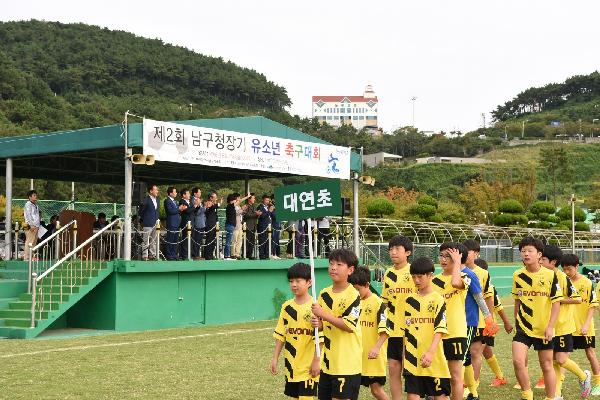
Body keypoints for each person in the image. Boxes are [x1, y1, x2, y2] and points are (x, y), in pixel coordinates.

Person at [511, 236, 562, 400]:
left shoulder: (550, 275)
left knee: (546, 365)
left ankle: (550, 397)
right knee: (518, 361)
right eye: (523, 251)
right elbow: (517, 301)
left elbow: (556, 303)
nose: (526, 254)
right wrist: (515, 320)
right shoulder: (518, 275)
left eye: (530, 251)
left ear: (539, 254)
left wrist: (550, 326)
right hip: (523, 327)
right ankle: (527, 394)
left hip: (543, 328)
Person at [311, 248, 362, 400]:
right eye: (331, 263)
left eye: (339, 264)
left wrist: (323, 315)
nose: (333, 267)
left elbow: (349, 326)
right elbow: (321, 326)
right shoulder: (323, 294)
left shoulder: (353, 295)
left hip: (347, 365)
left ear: (350, 270)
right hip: (327, 364)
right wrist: (318, 323)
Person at [540, 245, 591, 398]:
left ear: (553, 262)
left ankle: (583, 376)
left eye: (543, 259)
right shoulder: (542, 275)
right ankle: (556, 393)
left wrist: (558, 299)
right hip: (549, 326)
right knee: (554, 361)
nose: (540, 262)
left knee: (561, 359)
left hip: (562, 326)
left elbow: (577, 299)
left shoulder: (562, 278)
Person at [400, 257, 451, 400]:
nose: (416, 280)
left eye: (420, 276)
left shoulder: (437, 299)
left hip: (434, 360)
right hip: (412, 361)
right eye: (413, 277)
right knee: (412, 396)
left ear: (430, 276)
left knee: (440, 397)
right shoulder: (409, 300)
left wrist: (430, 353)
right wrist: (405, 357)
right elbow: (407, 331)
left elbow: (440, 329)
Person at [271, 262, 321, 400]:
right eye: (291, 281)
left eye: (298, 280)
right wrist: (275, 358)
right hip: (291, 366)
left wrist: (317, 361)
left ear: (309, 282)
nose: (294, 284)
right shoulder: (286, 307)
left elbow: (321, 338)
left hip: (309, 367)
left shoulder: (316, 307)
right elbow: (281, 335)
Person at [381, 235, 415, 400]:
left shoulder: (414, 271)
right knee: (394, 369)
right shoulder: (388, 274)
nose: (393, 252)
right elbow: (385, 302)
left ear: (407, 252)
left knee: (410, 372)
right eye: (391, 249)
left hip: (411, 331)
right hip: (392, 330)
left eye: (397, 249)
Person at [349, 266, 390, 400]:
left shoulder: (378, 304)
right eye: (353, 289)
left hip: (372, 356)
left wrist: (376, 348)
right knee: (349, 390)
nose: (356, 292)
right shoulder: (353, 302)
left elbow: (385, 331)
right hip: (355, 356)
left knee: (376, 390)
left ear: (367, 285)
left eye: (358, 289)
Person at [562, 254, 600, 396]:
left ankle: (597, 383)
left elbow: (592, 305)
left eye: (569, 269)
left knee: (590, 353)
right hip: (567, 326)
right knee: (564, 356)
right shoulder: (563, 282)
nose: (567, 272)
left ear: (577, 267)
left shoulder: (587, 283)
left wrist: (586, 324)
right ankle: (559, 384)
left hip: (584, 327)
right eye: (564, 269)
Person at [462, 239, 495, 398]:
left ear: (476, 254)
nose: (466, 254)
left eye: (469, 251)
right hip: (458, 320)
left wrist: (490, 319)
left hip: (478, 321)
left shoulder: (483, 273)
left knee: (475, 352)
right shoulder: (454, 272)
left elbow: (488, 298)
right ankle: (463, 383)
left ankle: (472, 385)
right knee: (462, 353)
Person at [473, 258, 513, 387]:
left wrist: (506, 323)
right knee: (486, 351)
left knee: (475, 352)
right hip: (477, 323)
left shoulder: (489, 288)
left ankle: (473, 384)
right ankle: (500, 377)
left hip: (486, 325)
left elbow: (498, 306)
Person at [139, 184, 159, 261]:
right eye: (155, 189)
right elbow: (141, 211)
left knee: (153, 240)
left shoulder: (157, 199)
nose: (157, 191)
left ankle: (152, 255)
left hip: (155, 223)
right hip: (147, 222)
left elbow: (156, 211)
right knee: (145, 240)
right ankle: (145, 256)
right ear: (151, 191)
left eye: (157, 189)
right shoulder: (146, 199)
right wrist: (144, 219)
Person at [164, 186, 183, 261]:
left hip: (177, 223)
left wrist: (180, 209)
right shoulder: (167, 201)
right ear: (170, 193)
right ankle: (169, 255)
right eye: (175, 192)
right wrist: (179, 208)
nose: (176, 193)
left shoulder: (175, 201)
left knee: (176, 239)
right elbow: (170, 211)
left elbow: (177, 211)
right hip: (171, 223)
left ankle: (174, 254)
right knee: (170, 239)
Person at [23, 189, 41, 260]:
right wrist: (31, 225)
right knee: (29, 241)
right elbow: (28, 215)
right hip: (31, 226)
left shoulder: (35, 205)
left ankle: (31, 257)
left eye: (36, 195)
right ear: (30, 197)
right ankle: (26, 257)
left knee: (34, 242)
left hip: (36, 226)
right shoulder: (28, 204)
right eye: (34, 195)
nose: (36, 196)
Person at [232, 193, 250, 260]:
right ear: (236, 198)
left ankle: (237, 253)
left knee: (240, 240)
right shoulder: (233, 205)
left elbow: (240, 213)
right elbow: (235, 213)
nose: (240, 199)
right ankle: (233, 254)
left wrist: (243, 210)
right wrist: (242, 209)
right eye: (239, 198)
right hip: (235, 225)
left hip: (240, 225)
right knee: (234, 240)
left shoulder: (238, 206)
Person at [243, 193, 261, 259]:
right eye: (253, 198)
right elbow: (246, 215)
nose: (254, 199)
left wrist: (258, 214)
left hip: (254, 226)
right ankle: (244, 254)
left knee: (252, 241)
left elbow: (255, 216)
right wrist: (255, 214)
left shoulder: (254, 206)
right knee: (247, 241)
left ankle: (250, 255)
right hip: (248, 226)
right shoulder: (246, 206)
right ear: (249, 199)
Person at [203, 191, 220, 260]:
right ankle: (207, 255)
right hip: (209, 224)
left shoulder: (213, 204)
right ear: (211, 198)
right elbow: (210, 208)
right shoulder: (208, 203)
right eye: (215, 197)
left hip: (214, 224)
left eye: (216, 197)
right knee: (209, 240)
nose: (216, 199)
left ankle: (211, 254)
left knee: (213, 240)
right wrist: (218, 204)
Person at [178, 188, 193, 260]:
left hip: (191, 222)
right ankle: (184, 255)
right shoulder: (182, 201)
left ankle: (189, 254)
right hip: (185, 223)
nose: (189, 195)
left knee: (190, 239)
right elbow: (187, 211)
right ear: (184, 195)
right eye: (188, 193)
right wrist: (194, 206)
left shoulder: (189, 202)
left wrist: (193, 207)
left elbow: (192, 210)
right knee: (185, 239)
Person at [191, 187, 205, 260]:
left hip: (202, 223)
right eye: (199, 192)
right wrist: (204, 207)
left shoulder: (199, 200)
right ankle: (195, 255)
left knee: (199, 240)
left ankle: (197, 254)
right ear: (195, 193)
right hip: (197, 223)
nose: (200, 193)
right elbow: (196, 212)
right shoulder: (193, 200)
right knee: (196, 240)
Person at [257, 195, 273, 260]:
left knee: (268, 241)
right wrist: (269, 211)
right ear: (263, 200)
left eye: (268, 200)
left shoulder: (269, 207)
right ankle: (262, 255)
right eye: (266, 200)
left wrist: (270, 210)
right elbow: (262, 216)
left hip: (269, 226)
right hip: (262, 226)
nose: (267, 201)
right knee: (262, 240)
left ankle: (267, 254)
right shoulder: (260, 207)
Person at [224, 193, 237, 259]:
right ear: (231, 200)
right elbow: (239, 201)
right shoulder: (230, 206)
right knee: (228, 240)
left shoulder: (230, 206)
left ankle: (227, 254)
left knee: (229, 240)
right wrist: (246, 197)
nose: (236, 201)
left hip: (230, 225)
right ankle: (227, 255)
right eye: (234, 199)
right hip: (230, 225)